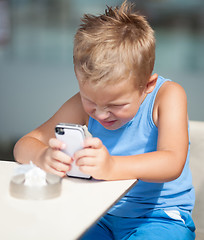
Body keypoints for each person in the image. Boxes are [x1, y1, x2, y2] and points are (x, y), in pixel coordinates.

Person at [13, 1, 195, 239]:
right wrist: (41, 156)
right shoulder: (81, 104)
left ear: (147, 85)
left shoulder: (168, 96)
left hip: (160, 217)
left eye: (115, 105)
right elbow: (24, 144)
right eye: (90, 100)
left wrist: (112, 166)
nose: (99, 114)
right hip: (97, 213)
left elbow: (172, 162)